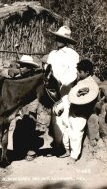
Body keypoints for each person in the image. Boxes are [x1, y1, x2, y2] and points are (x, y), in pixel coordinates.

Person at [44, 25, 79, 157]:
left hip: (65, 90)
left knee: (65, 118)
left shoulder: (72, 55)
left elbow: (73, 73)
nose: (58, 40)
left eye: (61, 38)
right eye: (57, 37)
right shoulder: (53, 54)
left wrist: (61, 82)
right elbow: (48, 70)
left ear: (66, 41)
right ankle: (58, 146)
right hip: (53, 91)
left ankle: (66, 148)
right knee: (55, 118)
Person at [9, 55, 43, 161]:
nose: (21, 68)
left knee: (29, 125)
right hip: (21, 104)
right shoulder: (19, 79)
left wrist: (31, 110)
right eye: (20, 66)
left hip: (32, 103)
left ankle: (31, 150)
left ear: (30, 68)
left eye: (24, 66)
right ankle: (19, 150)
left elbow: (37, 96)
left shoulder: (35, 79)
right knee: (18, 126)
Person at [68, 59, 99, 164]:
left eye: (80, 72)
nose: (78, 73)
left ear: (87, 72)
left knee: (77, 134)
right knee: (71, 132)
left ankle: (73, 156)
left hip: (81, 113)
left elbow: (89, 97)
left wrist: (81, 95)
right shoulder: (80, 81)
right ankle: (69, 150)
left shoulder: (91, 84)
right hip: (73, 110)